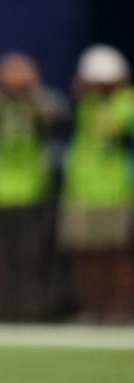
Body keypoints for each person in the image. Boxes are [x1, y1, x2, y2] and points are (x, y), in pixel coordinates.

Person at [0, 52, 69, 321]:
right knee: (0, 257)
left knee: (29, 257)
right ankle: (2, 310)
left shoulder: (38, 101)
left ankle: (29, 310)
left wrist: (30, 92)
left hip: (29, 189)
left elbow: (51, 119)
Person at [57, 44, 134, 324]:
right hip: (81, 189)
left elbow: (115, 127)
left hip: (116, 190)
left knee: (116, 255)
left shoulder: (127, 102)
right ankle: (91, 309)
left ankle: (119, 310)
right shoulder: (87, 104)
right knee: (85, 255)